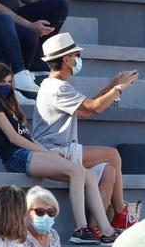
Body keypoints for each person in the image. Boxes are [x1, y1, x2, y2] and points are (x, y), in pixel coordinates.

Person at [0, 62, 112, 243]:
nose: (7, 86)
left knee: (87, 174)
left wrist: (50, 154)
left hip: (28, 154)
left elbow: (28, 137)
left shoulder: (8, 104)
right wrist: (48, 155)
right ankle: (81, 229)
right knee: (77, 170)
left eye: (10, 82)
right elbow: (14, 138)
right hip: (16, 157)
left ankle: (106, 230)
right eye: (2, 82)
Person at [32, 33, 131, 230]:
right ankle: (121, 213)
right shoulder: (58, 87)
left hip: (62, 149)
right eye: (76, 55)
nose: (78, 59)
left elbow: (86, 110)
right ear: (67, 60)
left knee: (109, 171)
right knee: (112, 155)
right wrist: (119, 89)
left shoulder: (55, 85)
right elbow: (94, 108)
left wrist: (111, 86)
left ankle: (96, 228)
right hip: (54, 152)